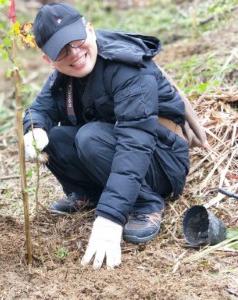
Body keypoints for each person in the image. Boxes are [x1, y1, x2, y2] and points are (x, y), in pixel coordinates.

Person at [23, 3, 190, 270]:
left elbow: (135, 141)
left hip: (161, 159)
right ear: (49, 60)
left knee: (90, 137)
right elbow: (40, 108)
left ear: (89, 29)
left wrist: (111, 216)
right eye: (61, 50)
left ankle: (146, 203)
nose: (74, 54)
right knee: (53, 137)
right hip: (117, 152)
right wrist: (33, 130)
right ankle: (88, 194)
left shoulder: (127, 67)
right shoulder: (63, 75)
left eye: (76, 41)